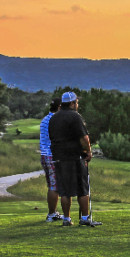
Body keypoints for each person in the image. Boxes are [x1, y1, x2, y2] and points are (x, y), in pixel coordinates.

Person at [47, 91, 101, 227]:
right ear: (72, 104)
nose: (78, 104)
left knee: (65, 191)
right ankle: (84, 218)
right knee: (82, 189)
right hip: (74, 157)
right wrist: (88, 152)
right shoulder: (75, 117)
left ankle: (66, 219)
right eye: (77, 102)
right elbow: (84, 138)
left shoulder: (54, 118)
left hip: (58, 158)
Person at [39, 101, 63, 223]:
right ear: (59, 107)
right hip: (52, 155)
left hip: (45, 155)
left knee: (51, 185)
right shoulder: (54, 120)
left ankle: (52, 213)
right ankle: (51, 214)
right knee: (55, 186)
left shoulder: (45, 118)